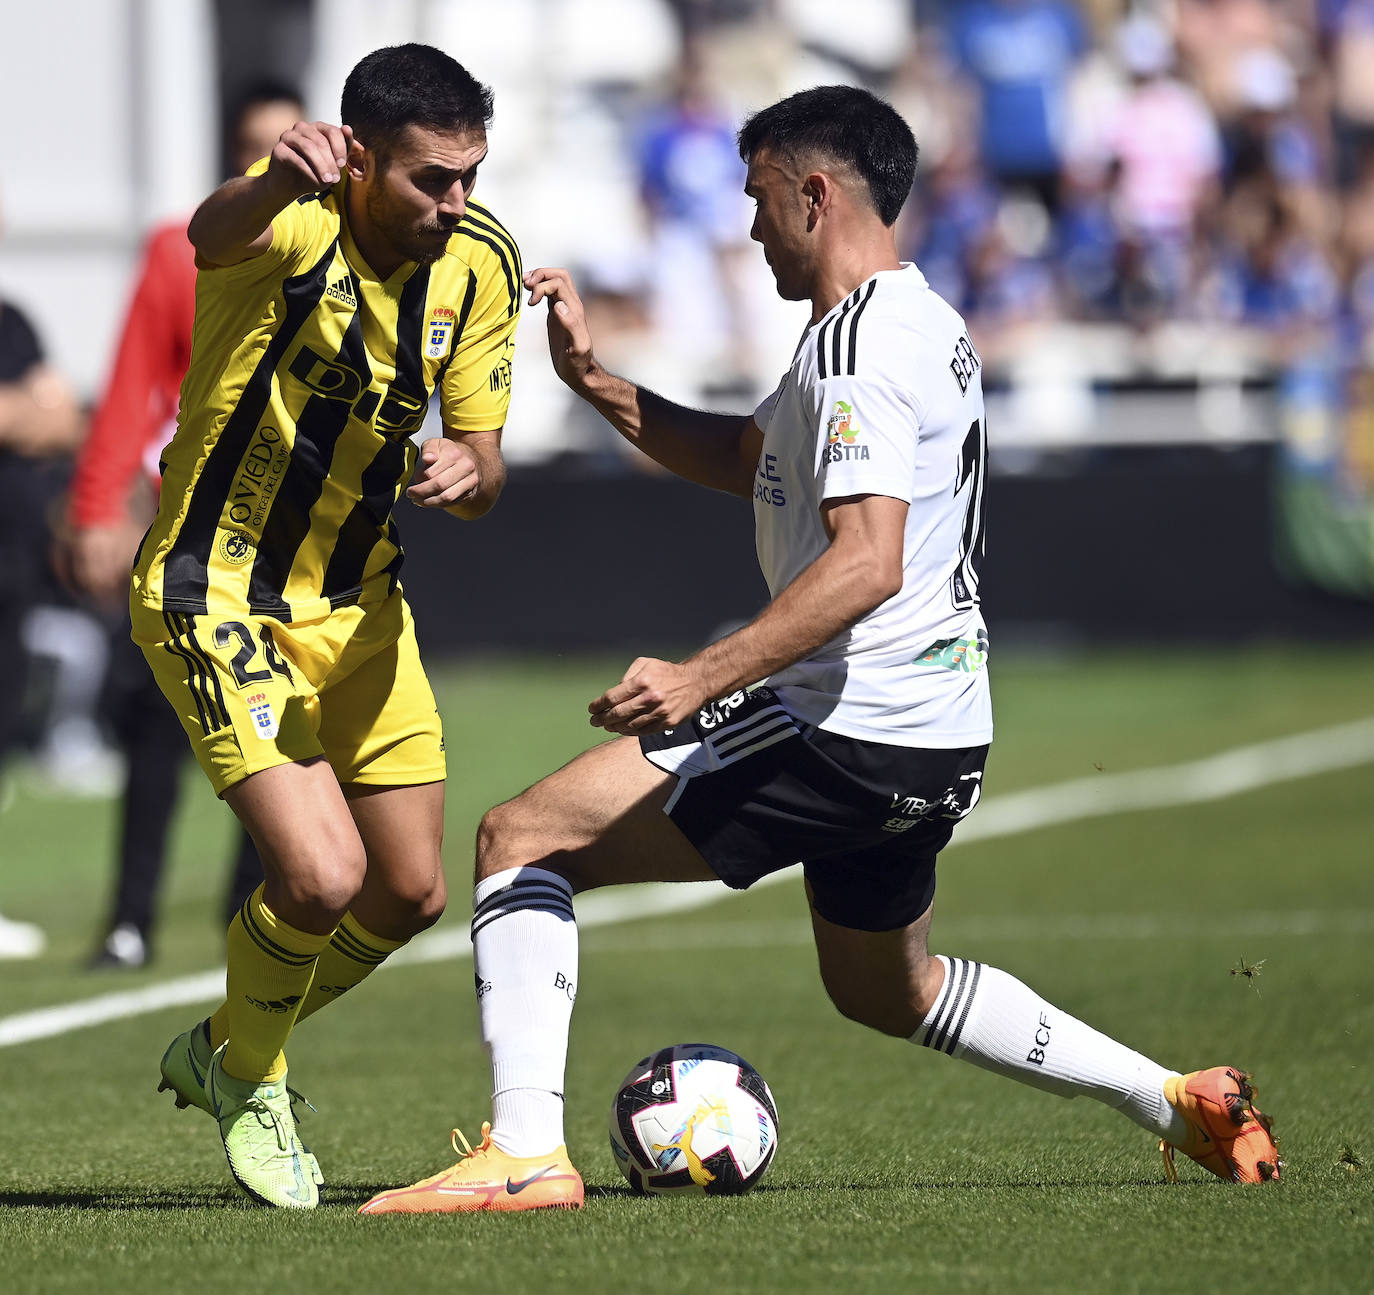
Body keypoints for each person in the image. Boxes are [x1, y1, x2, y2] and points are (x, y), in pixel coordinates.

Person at [360, 85, 1280, 1215]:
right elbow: (757, 459)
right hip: (940, 740)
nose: (748, 230)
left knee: (522, 838)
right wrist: (596, 382)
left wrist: (697, 678)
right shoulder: (921, 320)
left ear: (814, 192)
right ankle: (1171, 1098)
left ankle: (523, 1151)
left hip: (844, 726)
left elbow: (866, 562)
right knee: (888, 991)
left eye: (757, 200)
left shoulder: (854, 349)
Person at [133, 43, 520, 1210]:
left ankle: (223, 1041)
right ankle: (252, 1074)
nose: (454, 205)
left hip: (362, 606)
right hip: (220, 594)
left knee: (407, 893)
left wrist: (473, 470)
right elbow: (211, 232)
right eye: (428, 181)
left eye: (468, 176)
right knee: (321, 876)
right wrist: (266, 175)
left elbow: (488, 453)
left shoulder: (481, 264)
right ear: (356, 160)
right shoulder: (292, 222)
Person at [64, 83, 306, 972]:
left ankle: (253, 910)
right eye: (254, 144)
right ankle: (129, 920)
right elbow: (133, 386)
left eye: (285, 141)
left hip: (294, 539)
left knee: (284, 726)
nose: (270, 158)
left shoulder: (343, 249)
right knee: (157, 728)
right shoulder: (182, 250)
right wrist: (95, 508)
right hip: (189, 531)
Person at [1, 259, 85, 959]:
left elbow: (61, 421)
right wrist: (20, 409)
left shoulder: (12, 322)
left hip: (11, 566)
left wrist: (24, 413)